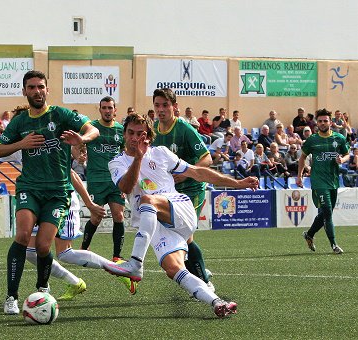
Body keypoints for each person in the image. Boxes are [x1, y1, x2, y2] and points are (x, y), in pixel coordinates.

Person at [103, 113, 258, 318]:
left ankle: (135, 264)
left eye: (140, 134)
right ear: (124, 134)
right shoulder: (117, 162)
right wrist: (138, 159)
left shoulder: (161, 153)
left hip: (178, 208)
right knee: (172, 268)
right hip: (156, 225)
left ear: (149, 136)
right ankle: (217, 302)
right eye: (130, 133)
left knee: (148, 200)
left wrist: (236, 183)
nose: (134, 138)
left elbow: (197, 172)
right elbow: (126, 186)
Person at [0, 156, 137, 301]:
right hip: (37, 199)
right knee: (30, 251)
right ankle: (71, 282)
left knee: (64, 253)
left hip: (61, 199)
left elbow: (71, 173)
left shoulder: (50, 144)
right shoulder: (21, 146)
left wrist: (88, 203)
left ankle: (118, 269)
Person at [0, 70, 99, 315]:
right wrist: (21, 144)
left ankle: (42, 287)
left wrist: (80, 139)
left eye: (41, 86)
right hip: (29, 188)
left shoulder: (60, 114)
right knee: (22, 235)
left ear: (47, 90)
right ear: (24, 91)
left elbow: (94, 130)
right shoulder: (20, 122)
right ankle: (11, 297)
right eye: (31, 87)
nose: (37, 91)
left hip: (57, 192)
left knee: (42, 246)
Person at [149, 88, 215, 288]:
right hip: (169, 193)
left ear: (174, 107)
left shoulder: (185, 129)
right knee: (176, 236)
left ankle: (204, 282)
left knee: (185, 237)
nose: (161, 110)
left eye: (165, 105)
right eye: (157, 105)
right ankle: (198, 270)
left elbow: (207, 158)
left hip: (192, 189)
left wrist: (185, 173)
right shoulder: (152, 130)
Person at [80, 96, 126, 261]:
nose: (107, 111)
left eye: (110, 108)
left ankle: (117, 256)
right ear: (100, 110)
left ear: (115, 110)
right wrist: (79, 155)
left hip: (116, 181)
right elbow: (76, 145)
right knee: (96, 217)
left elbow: (126, 154)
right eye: (104, 108)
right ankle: (84, 249)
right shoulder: (91, 127)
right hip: (96, 179)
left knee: (119, 216)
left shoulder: (121, 130)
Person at [298, 108, 349, 255]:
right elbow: (302, 158)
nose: (322, 123)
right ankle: (334, 245)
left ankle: (309, 234)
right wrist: (300, 176)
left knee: (327, 213)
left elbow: (346, 154)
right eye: (319, 121)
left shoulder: (339, 138)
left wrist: (342, 160)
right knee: (327, 211)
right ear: (317, 123)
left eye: (325, 120)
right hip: (318, 181)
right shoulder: (312, 140)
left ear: (330, 122)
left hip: (333, 180)